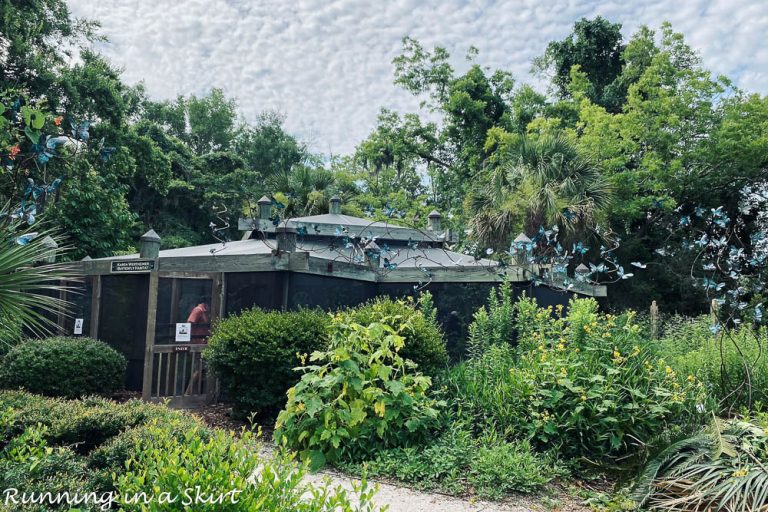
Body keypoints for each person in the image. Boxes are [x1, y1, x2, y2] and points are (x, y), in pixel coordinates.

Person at [184, 299, 211, 395]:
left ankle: (193, 392)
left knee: (202, 370)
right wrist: (189, 340)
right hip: (197, 344)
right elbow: (189, 323)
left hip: (203, 345)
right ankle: (188, 393)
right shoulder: (198, 310)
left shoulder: (205, 312)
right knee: (199, 369)